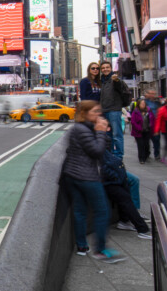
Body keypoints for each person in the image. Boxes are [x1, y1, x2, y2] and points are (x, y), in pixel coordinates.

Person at [62, 100, 125, 263]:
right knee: (102, 211)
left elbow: (104, 147)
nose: (99, 114)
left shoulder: (82, 127)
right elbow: (97, 151)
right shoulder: (82, 129)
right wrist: (101, 132)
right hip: (86, 177)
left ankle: (82, 247)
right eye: (95, 111)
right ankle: (101, 250)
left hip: (73, 174)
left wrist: (102, 132)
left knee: (80, 210)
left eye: (99, 111)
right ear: (84, 113)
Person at [101, 137, 152, 239]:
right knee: (125, 197)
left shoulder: (101, 138)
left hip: (111, 177)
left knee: (128, 188)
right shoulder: (97, 140)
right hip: (108, 179)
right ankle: (141, 228)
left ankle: (128, 220)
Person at [100, 61, 130, 159]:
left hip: (114, 111)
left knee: (117, 135)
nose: (105, 69)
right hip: (104, 111)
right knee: (108, 135)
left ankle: (118, 156)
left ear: (111, 68)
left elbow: (120, 86)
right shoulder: (102, 81)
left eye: (107, 67)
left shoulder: (114, 79)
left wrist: (116, 80)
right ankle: (110, 154)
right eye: (103, 68)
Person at [130, 99, 155, 164]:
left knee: (146, 144)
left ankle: (146, 155)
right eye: (142, 104)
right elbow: (133, 121)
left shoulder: (148, 111)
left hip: (147, 130)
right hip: (139, 132)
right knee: (140, 145)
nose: (143, 105)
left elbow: (152, 118)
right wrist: (138, 128)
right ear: (139, 104)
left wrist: (151, 125)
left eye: (144, 104)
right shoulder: (135, 112)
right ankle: (141, 158)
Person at [145, 90, 162, 160]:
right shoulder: (145, 102)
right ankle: (147, 153)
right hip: (147, 124)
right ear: (147, 94)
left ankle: (157, 154)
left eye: (154, 94)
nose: (153, 95)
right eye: (151, 93)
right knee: (146, 141)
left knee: (156, 140)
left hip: (156, 124)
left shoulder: (157, 103)